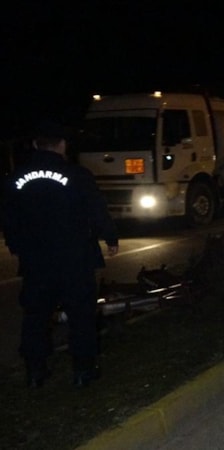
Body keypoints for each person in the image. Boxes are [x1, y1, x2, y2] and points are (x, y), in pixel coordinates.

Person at [1, 120, 119, 388]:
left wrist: (17, 247)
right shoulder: (77, 175)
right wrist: (110, 237)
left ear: (35, 145)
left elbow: (8, 218)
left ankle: (35, 371)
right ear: (63, 145)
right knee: (81, 314)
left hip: (35, 260)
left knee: (36, 315)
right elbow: (96, 209)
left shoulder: (15, 178)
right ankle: (83, 370)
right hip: (74, 257)